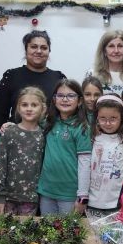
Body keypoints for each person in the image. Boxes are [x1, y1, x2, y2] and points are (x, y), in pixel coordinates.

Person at [36, 79, 91, 215]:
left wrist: (83, 196)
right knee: (46, 227)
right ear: (54, 99)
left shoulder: (82, 128)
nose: (65, 99)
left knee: (68, 229)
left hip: (70, 194)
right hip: (46, 191)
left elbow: (85, 163)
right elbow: (28, 123)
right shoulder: (48, 123)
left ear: (79, 101)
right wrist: (9, 125)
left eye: (71, 96)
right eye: (60, 95)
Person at [0, 30, 66, 133]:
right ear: (26, 49)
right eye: (34, 47)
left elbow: (66, 113)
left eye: (44, 48)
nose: (39, 51)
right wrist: (1, 137)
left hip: (50, 138)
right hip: (17, 138)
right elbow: (0, 115)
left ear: (49, 51)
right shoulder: (11, 76)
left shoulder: (58, 78)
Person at [0, 87, 47, 216]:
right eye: (24, 105)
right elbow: (0, 165)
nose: (29, 108)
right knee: (4, 228)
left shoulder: (44, 134)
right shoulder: (9, 132)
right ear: (18, 108)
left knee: (25, 229)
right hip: (7, 197)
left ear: (42, 108)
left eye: (34, 105)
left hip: (31, 198)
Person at [88, 95, 123, 210]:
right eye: (103, 118)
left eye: (113, 118)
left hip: (116, 203)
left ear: (122, 118)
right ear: (96, 117)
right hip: (90, 201)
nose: (108, 123)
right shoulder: (91, 138)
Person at [84, 30, 123, 97]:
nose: (116, 51)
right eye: (111, 46)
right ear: (104, 51)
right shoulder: (92, 74)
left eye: (120, 46)